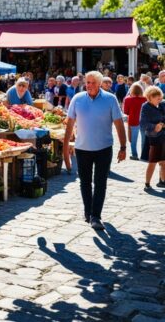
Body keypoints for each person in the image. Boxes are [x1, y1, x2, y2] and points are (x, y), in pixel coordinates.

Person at [63, 71, 126, 231]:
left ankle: (96, 216)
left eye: (92, 82)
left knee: (100, 183)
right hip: (82, 148)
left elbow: (119, 124)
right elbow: (70, 124)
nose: (88, 85)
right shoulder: (77, 99)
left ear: (99, 84)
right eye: (87, 82)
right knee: (84, 182)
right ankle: (88, 211)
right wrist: (65, 147)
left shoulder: (110, 99)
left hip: (103, 148)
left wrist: (123, 147)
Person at [139, 86, 165, 190]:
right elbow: (143, 124)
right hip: (153, 138)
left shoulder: (162, 105)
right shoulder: (145, 107)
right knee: (153, 162)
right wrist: (154, 127)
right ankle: (147, 183)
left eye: (160, 98)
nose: (160, 100)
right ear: (150, 97)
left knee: (163, 162)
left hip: (163, 136)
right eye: (157, 98)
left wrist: (162, 125)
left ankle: (163, 182)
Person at [122, 84, 147, 160]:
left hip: (133, 120)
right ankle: (144, 156)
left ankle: (134, 155)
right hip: (144, 121)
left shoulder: (127, 99)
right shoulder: (145, 99)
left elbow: (126, 112)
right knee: (144, 139)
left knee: (133, 139)